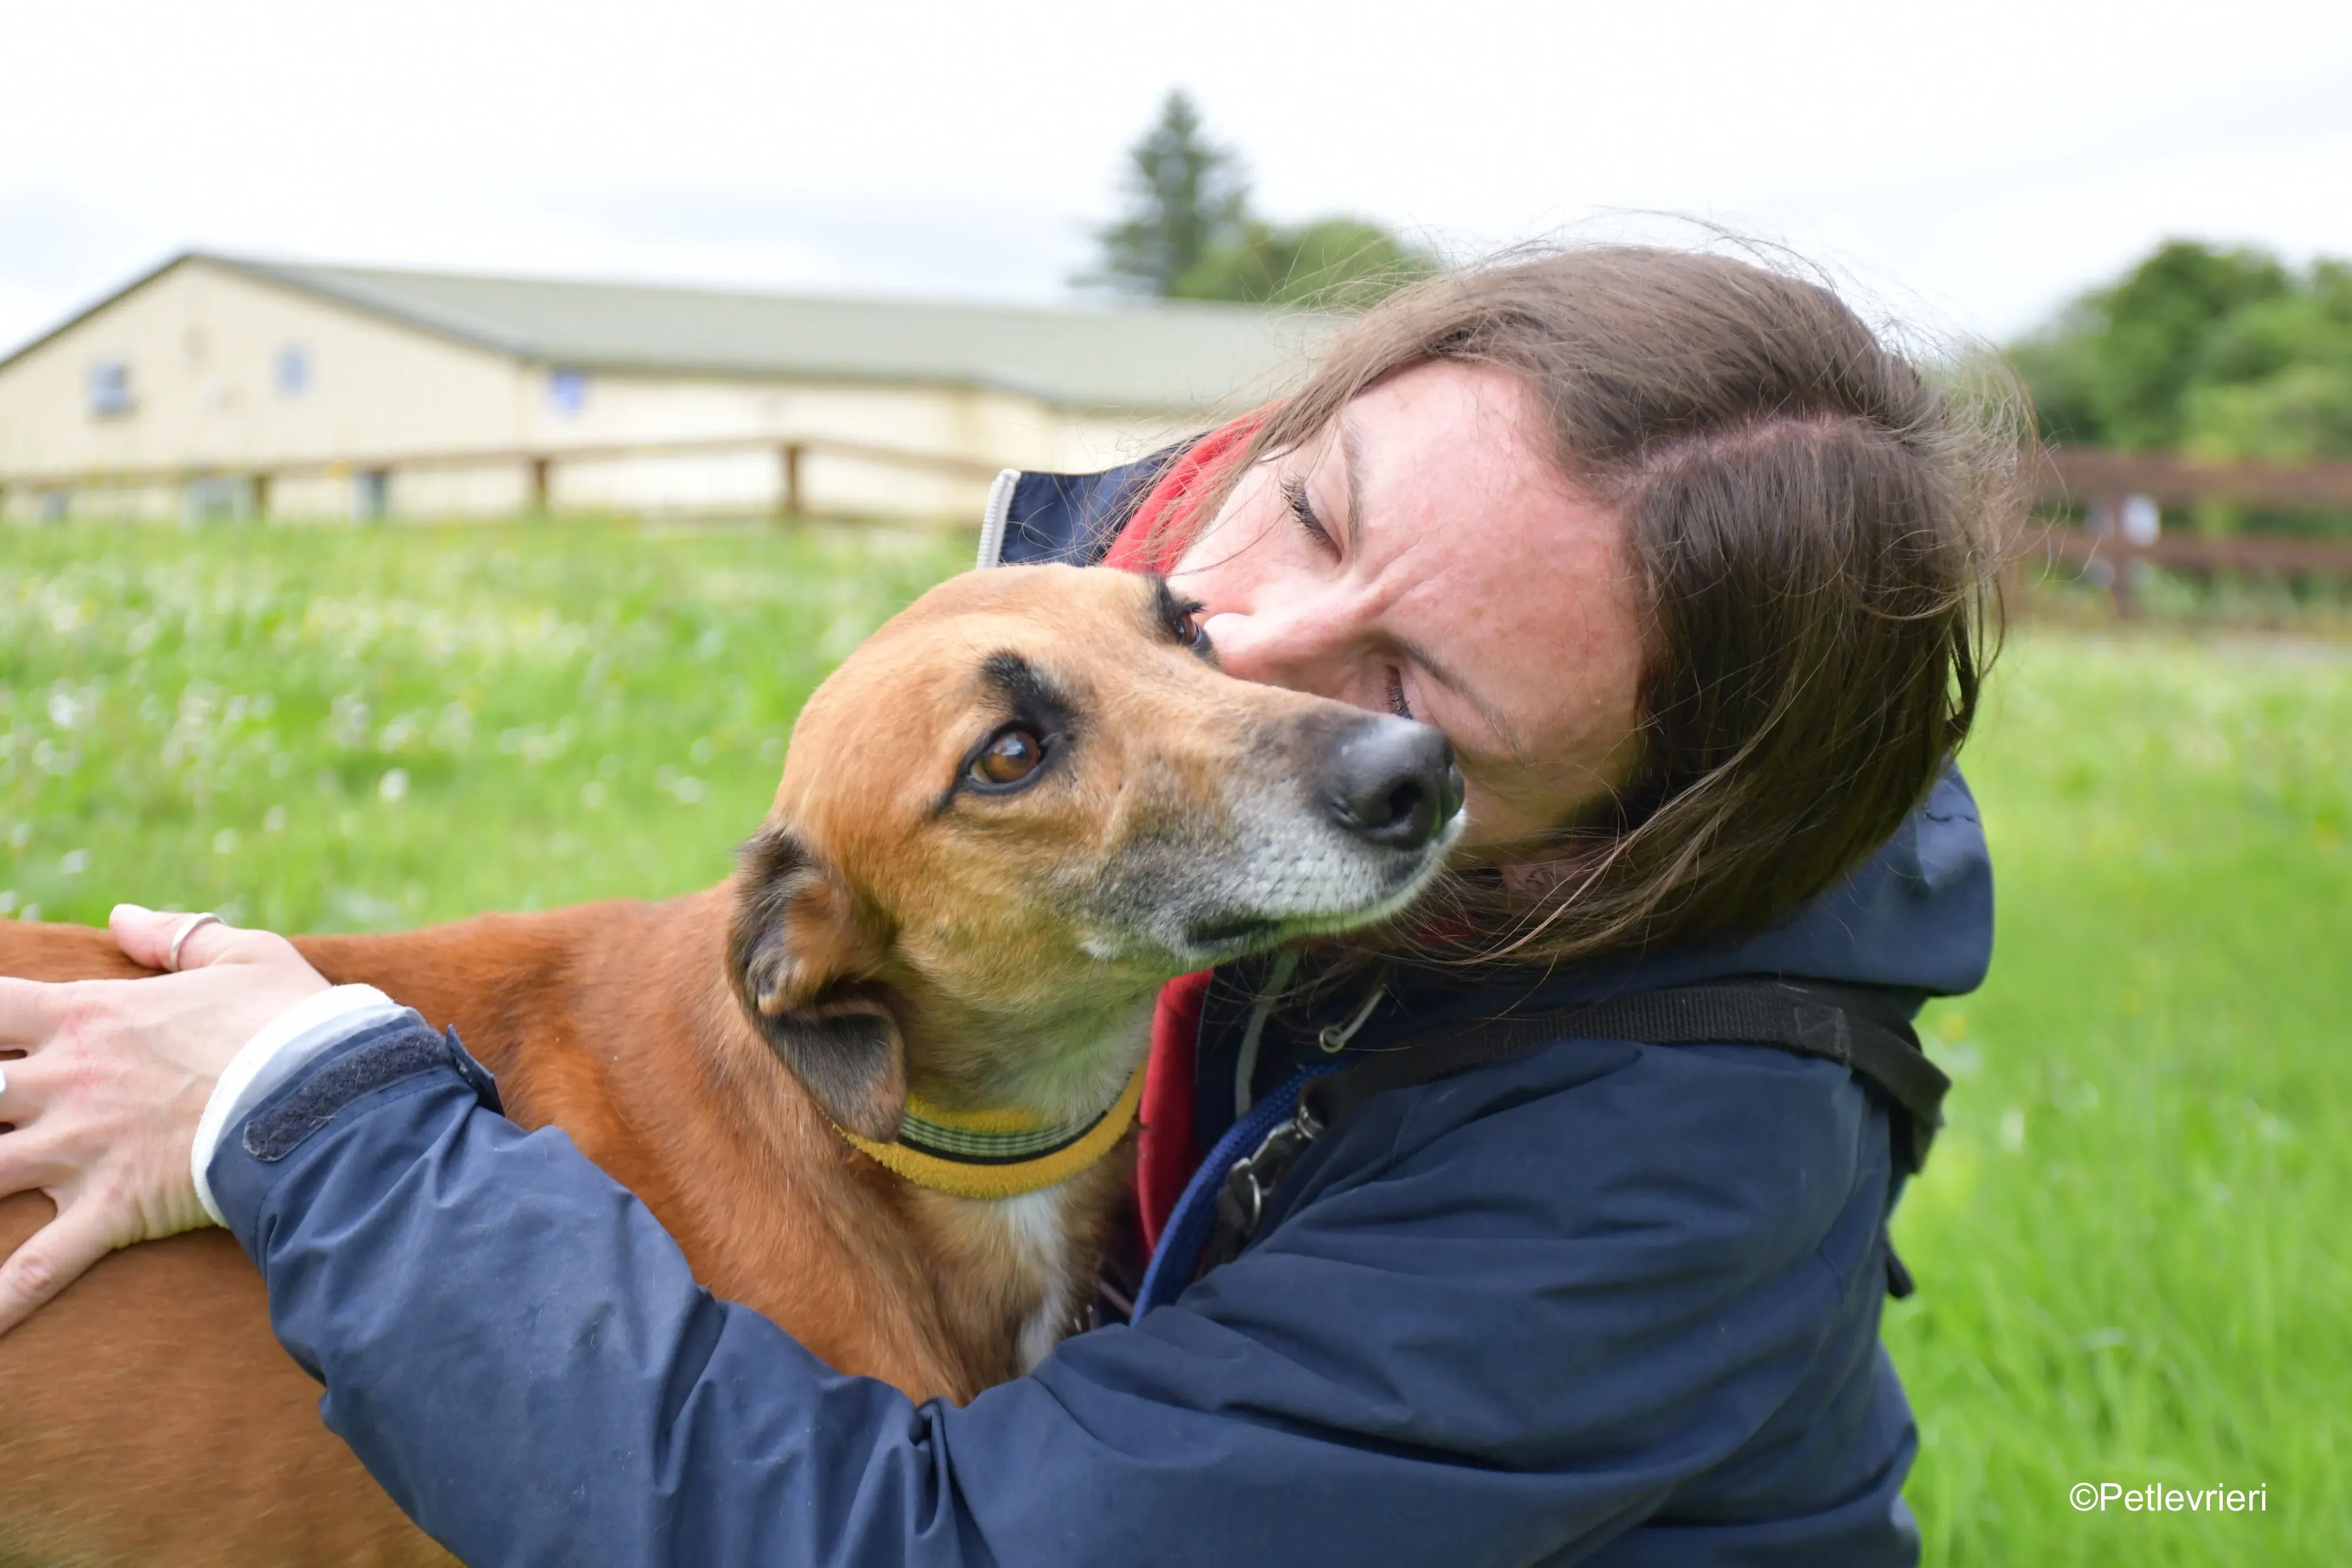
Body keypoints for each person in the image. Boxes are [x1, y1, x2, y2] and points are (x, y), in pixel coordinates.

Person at [0, 246, 2015, 1566]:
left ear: (1596, 858)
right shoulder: (1061, 635)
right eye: (1307, 509)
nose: (1247, 648)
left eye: (1421, 707)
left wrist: (300, 1117)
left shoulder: (1669, 1155)